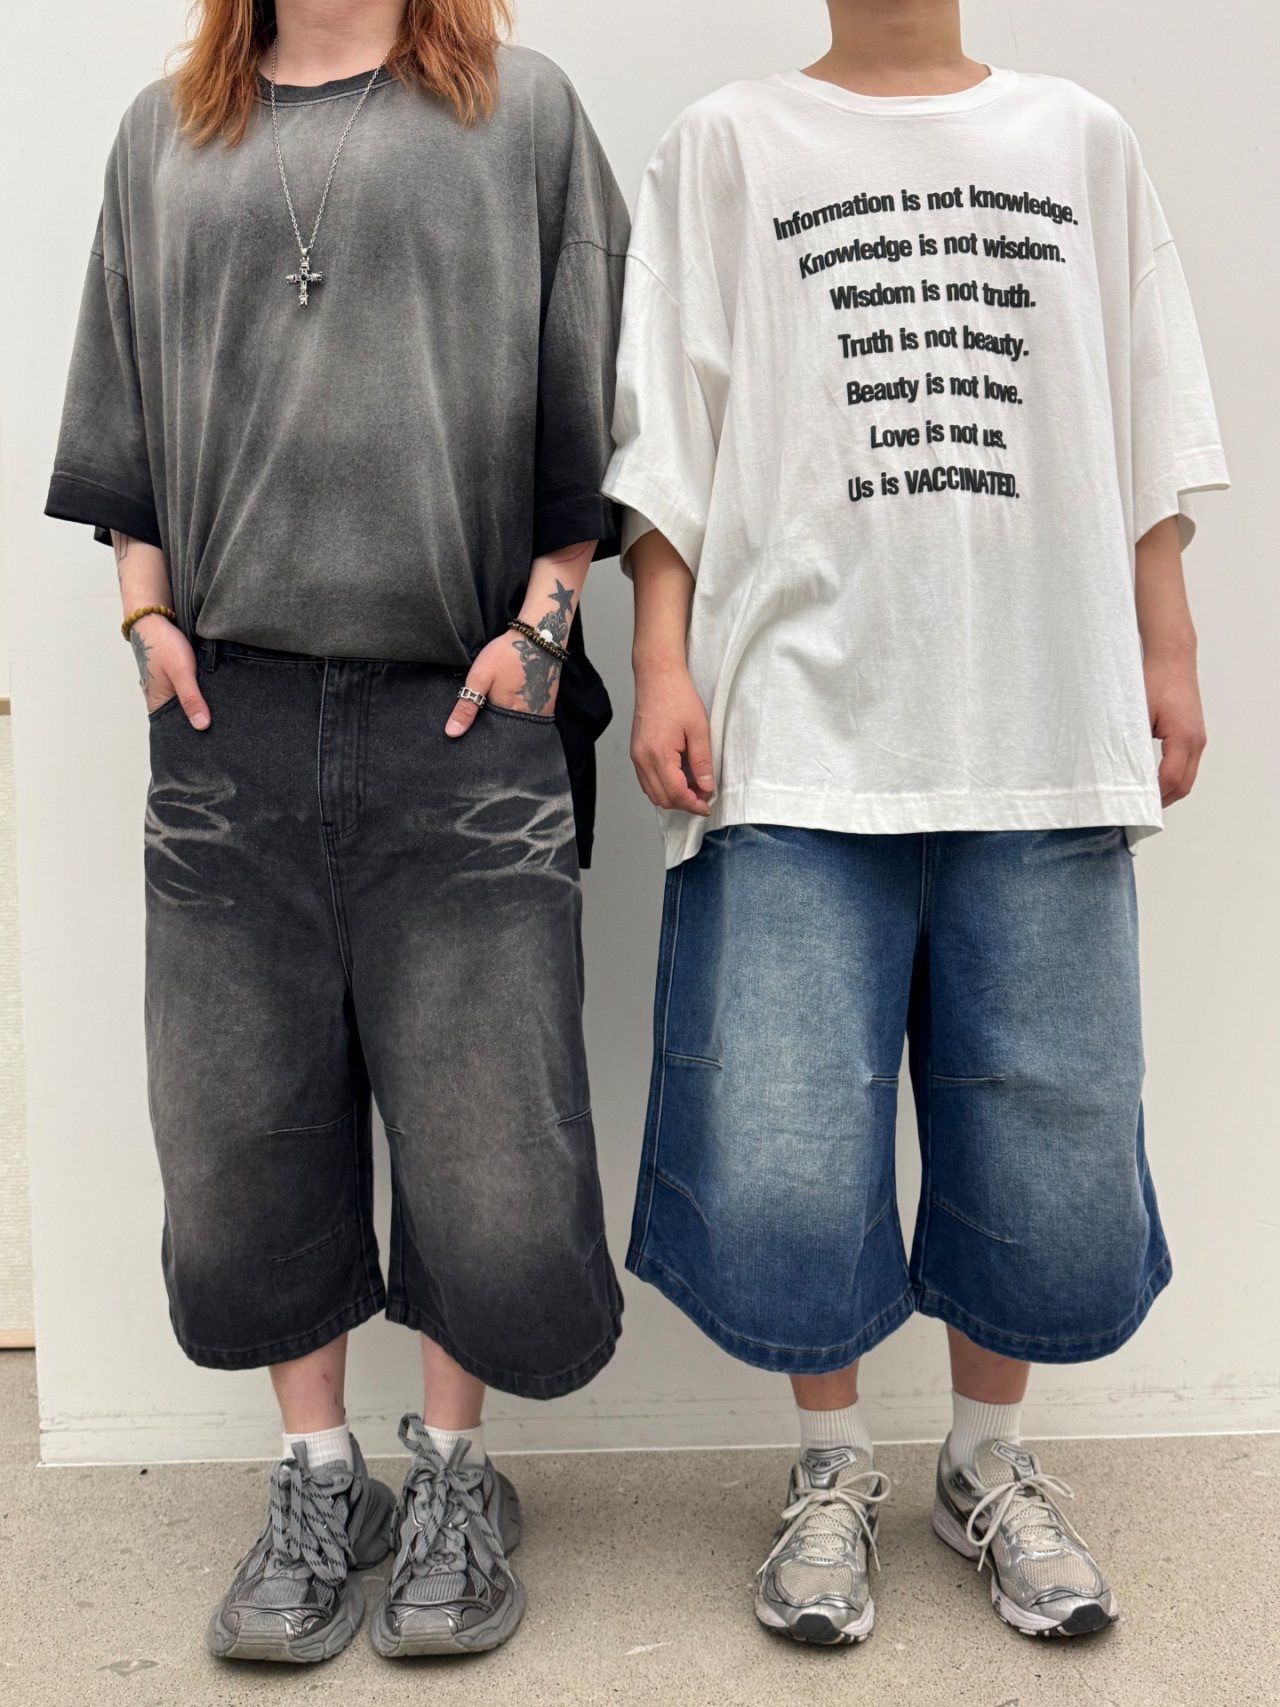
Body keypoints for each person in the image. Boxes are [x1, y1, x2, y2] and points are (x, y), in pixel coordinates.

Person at [605, 0, 1226, 1647]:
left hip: (1038, 717)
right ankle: (830, 1466)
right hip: (796, 729)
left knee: (1043, 1138)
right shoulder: (726, 143)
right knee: (786, 1148)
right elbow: (669, 437)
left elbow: (1146, 418)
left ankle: (983, 1461)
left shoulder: (1078, 140)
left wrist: (1167, 653)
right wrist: (661, 660)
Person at [47, 0, 628, 1665]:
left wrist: (541, 629)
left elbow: (594, 403)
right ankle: (321, 1480)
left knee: (490, 1152)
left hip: (463, 716)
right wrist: (145, 621)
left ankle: (452, 1475)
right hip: (228, 726)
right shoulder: (169, 130)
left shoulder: (523, 112)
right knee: (239, 1149)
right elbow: (122, 418)